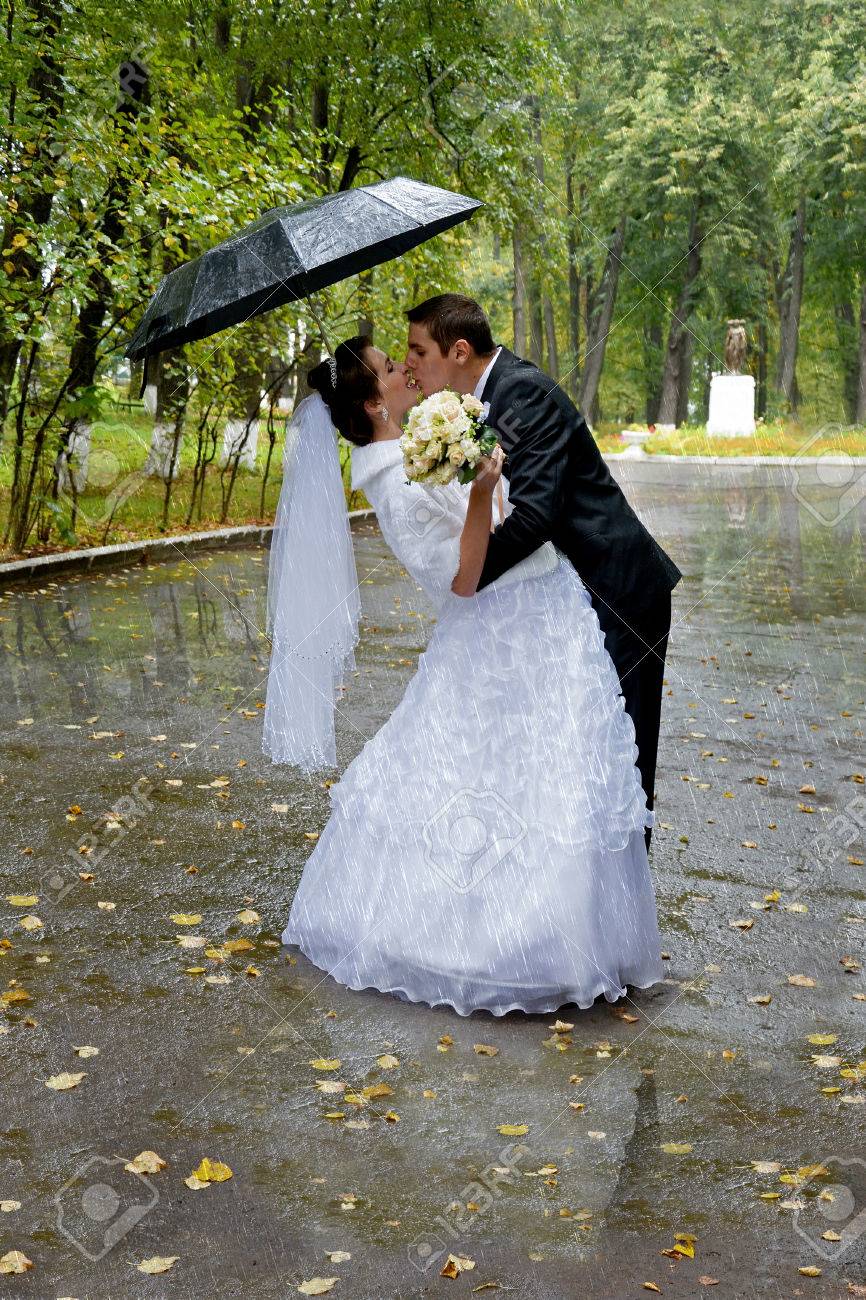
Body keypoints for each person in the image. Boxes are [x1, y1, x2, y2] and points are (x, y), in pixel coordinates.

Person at [263, 333, 664, 1018]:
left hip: (536, 612)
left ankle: (569, 934)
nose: (405, 369)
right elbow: (461, 577)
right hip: (504, 631)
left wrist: (485, 473)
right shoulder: (395, 482)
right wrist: (481, 488)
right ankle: (509, 946)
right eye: (391, 368)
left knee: (555, 771)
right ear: (374, 402)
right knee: (517, 778)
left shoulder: (408, 453)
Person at [406, 294, 682, 848]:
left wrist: (468, 577)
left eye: (419, 350)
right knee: (593, 744)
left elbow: (536, 514)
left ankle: (627, 882)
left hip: (620, 588)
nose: (410, 362)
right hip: (586, 586)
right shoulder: (489, 395)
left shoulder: (520, 391)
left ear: (458, 351)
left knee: (622, 752)